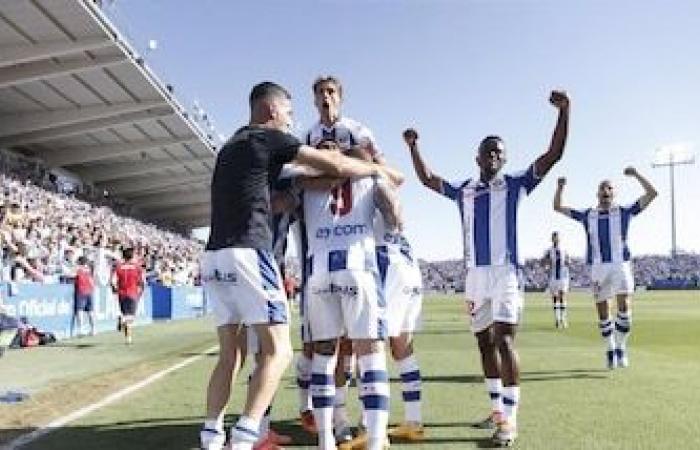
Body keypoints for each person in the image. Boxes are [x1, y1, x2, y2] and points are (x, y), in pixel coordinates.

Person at [199, 81, 392, 450]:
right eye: (288, 112)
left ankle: (211, 437)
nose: (291, 120)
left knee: (231, 355)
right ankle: (245, 438)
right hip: (249, 254)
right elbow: (332, 165)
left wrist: (297, 192)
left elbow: (278, 195)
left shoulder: (230, 146)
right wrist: (371, 168)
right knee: (279, 351)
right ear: (272, 110)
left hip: (213, 257)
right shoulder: (269, 139)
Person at [403, 90, 570, 447]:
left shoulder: (515, 185)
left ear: (504, 159)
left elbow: (553, 155)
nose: (494, 155)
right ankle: (497, 410)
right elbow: (429, 179)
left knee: (505, 340)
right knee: (483, 343)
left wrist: (564, 112)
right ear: (478, 157)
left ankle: (510, 421)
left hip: (506, 273)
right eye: (488, 150)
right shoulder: (463, 189)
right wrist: (414, 147)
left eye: (500, 152)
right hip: (474, 277)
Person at [301, 139, 399, 450]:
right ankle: (373, 440)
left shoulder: (302, 180)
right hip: (358, 268)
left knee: (324, 357)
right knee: (370, 354)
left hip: (319, 272)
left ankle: (326, 441)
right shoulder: (368, 175)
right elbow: (395, 217)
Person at [553, 167, 657, 369]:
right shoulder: (588, 215)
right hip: (598, 267)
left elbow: (652, 194)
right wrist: (560, 187)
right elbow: (557, 206)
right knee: (603, 310)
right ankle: (610, 349)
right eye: (602, 188)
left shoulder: (624, 211)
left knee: (625, 307)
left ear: (614, 193)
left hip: (621, 264)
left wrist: (636, 176)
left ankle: (621, 347)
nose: (605, 191)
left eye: (609, 188)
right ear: (597, 194)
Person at [111, 247, 144, 345]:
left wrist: (114, 289)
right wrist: (141, 290)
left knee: (126, 314)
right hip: (132, 293)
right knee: (130, 317)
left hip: (121, 294)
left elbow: (112, 281)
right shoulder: (137, 267)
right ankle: (123, 320)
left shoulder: (118, 267)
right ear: (132, 256)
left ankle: (128, 338)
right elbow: (142, 281)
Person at [540, 232, 571, 329]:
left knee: (563, 296)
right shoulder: (549, 251)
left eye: (557, 238)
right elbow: (542, 262)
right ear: (552, 239)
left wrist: (568, 262)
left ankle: (563, 319)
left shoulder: (564, 249)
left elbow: (569, 261)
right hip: (553, 276)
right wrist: (546, 263)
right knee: (555, 298)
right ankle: (557, 319)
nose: (556, 240)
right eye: (554, 238)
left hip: (563, 275)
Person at [71, 256, 95, 337]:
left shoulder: (78, 269)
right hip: (89, 291)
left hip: (81, 291)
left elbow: (72, 275)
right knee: (90, 311)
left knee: (80, 310)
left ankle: (81, 329)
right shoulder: (88, 269)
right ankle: (93, 329)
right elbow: (92, 281)